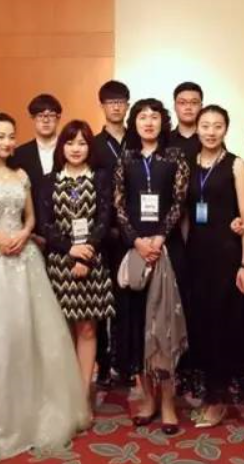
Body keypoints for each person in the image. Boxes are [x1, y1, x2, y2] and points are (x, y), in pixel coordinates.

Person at [0, 113, 89, 459]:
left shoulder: (22, 176)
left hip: (23, 260)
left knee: (26, 336)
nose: (7, 142)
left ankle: (30, 416)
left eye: (11, 136)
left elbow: (30, 217)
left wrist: (23, 233)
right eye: (0, 136)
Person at [113, 98, 190, 436]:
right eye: (142, 117)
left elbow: (179, 201)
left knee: (164, 325)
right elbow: (118, 205)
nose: (148, 122)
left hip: (166, 249)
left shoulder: (174, 157)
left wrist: (159, 238)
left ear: (163, 122)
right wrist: (136, 241)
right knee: (136, 326)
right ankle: (148, 400)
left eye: (154, 117)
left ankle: (169, 403)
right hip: (134, 250)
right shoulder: (126, 158)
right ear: (134, 122)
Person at [179, 105, 244, 428]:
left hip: (227, 256)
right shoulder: (188, 164)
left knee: (223, 327)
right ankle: (210, 394)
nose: (211, 132)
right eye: (205, 126)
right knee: (200, 326)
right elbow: (184, 214)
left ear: (226, 129)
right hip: (196, 256)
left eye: (217, 126)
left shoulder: (235, 165)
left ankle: (219, 399)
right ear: (196, 128)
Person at [39, 120, 116, 411]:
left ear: (89, 148)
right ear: (62, 147)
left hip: (93, 261)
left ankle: (83, 394)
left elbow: (104, 220)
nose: (75, 149)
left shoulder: (100, 178)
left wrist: (85, 255)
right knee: (64, 331)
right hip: (59, 263)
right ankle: (66, 393)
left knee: (87, 330)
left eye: (82, 143)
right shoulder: (49, 180)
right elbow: (45, 225)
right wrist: (70, 250)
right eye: (70, 143)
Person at [92, 79, 131, 387]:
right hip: (102, 234)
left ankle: (126, 363)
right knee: (100, 300)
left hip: (134, 233)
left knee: (127, 299)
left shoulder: (139, 140)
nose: (116, 107)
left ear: (127, 105)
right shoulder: (92, 144)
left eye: (121, 102)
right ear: (102, 106)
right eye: (111, 102)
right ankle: (103, 365)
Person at [11, 93, 62, 240]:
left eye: (51, 115)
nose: (45, 120)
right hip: (31, 232)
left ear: (58, 118)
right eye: (40, 115)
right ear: (32, 118)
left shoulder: (70, 151)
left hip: (64, 229)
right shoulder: (19, 154)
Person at [168, 82, 203, 163]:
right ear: (174, 106)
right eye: (182, 103)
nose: (188, 107)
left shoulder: (210, 139)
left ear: (201, 107)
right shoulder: (165, 140)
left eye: (194, 103)